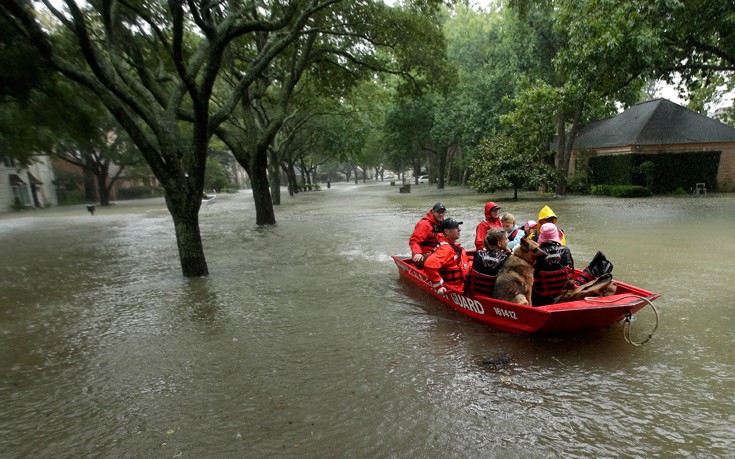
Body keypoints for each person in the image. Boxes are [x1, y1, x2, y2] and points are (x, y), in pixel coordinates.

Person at [424, 218, 471, 295]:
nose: (459, 230)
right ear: (446, 231)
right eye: (456, 228)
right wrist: (439, 286)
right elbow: (429, 265)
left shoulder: (450, 245)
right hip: (454, 286)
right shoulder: (446, 249)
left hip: (460, 282)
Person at [532, 222, 575, 306]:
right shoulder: (566, 250)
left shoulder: (535, 254)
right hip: (563, 295)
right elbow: (571, 271)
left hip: (541, 299)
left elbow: (532, 276)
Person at [409, 202, 446, 266]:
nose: (441, 214)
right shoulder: (424, 224)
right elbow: (414, 241)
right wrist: (417, 253)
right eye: (438, 212)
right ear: (433, 212)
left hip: (437, 253)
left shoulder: (443, 224)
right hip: (424, 254)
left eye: (442, 212)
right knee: (436, 260)